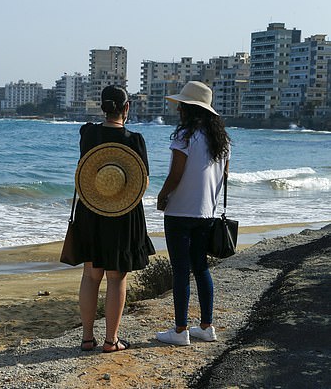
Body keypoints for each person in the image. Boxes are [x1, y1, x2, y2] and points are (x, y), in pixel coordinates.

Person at [72, 85, 155, 353]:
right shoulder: (135, 140)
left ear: (103, 107)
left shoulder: (88, 134)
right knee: (116, 278)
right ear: (126, 108)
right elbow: (144, 181)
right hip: (123, 211)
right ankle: (111, 340)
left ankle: (86, 338)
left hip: (91, 208)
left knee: (90, 274)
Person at [155, 81, 231, 346]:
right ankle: (207, 327)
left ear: (188, 108)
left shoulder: (184, 136)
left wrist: (162, 196)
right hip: (205, 213)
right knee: (201, 268)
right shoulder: (222, 141)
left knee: (180, 271)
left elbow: (176, 174)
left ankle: (180, 330)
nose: (179, 110)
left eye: (182, 106)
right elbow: (224, 176)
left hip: (179, 212)